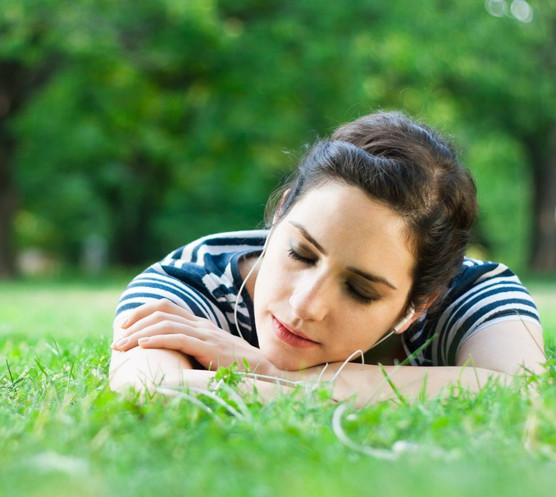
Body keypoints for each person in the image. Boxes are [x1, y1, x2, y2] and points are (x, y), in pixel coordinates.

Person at [109, 111, 547, 405]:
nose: (305, 304)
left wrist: (267, 369)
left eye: (359, 289)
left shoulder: (473, 292)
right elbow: (149, 388)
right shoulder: (190, 280)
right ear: (281, 211)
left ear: (418, 305)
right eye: (301, 253)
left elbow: (518, 390)